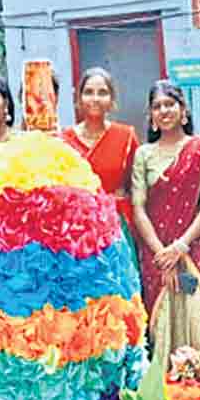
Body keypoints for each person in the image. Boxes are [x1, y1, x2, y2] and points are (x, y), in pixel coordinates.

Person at [130, 80, 200, 374]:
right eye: (157, 106)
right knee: (162, 327)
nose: (164, 111)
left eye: (170, 104)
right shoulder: (143, 154)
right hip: (157, 258)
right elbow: (138, 208)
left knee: (195, 321)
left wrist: (180, 247)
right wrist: (162, 254)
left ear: (184, 111)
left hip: (194, 252)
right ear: (151, 116)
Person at [60, 67, 141, 283]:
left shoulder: (126, 136)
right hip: (76, 232)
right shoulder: (63, 140)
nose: (95, 99)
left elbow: (137, 188)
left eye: (102, 92)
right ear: (78, 98)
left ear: (112, 100)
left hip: (116, 229)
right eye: (88, 92)